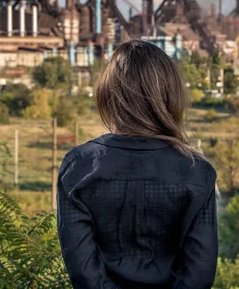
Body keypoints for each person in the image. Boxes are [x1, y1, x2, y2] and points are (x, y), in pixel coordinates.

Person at [57, 39, 218, 289]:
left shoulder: (79, 166)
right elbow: (199, 273)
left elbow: (83, 271)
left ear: (109, 93)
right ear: (170, 96)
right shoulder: (196, 172)